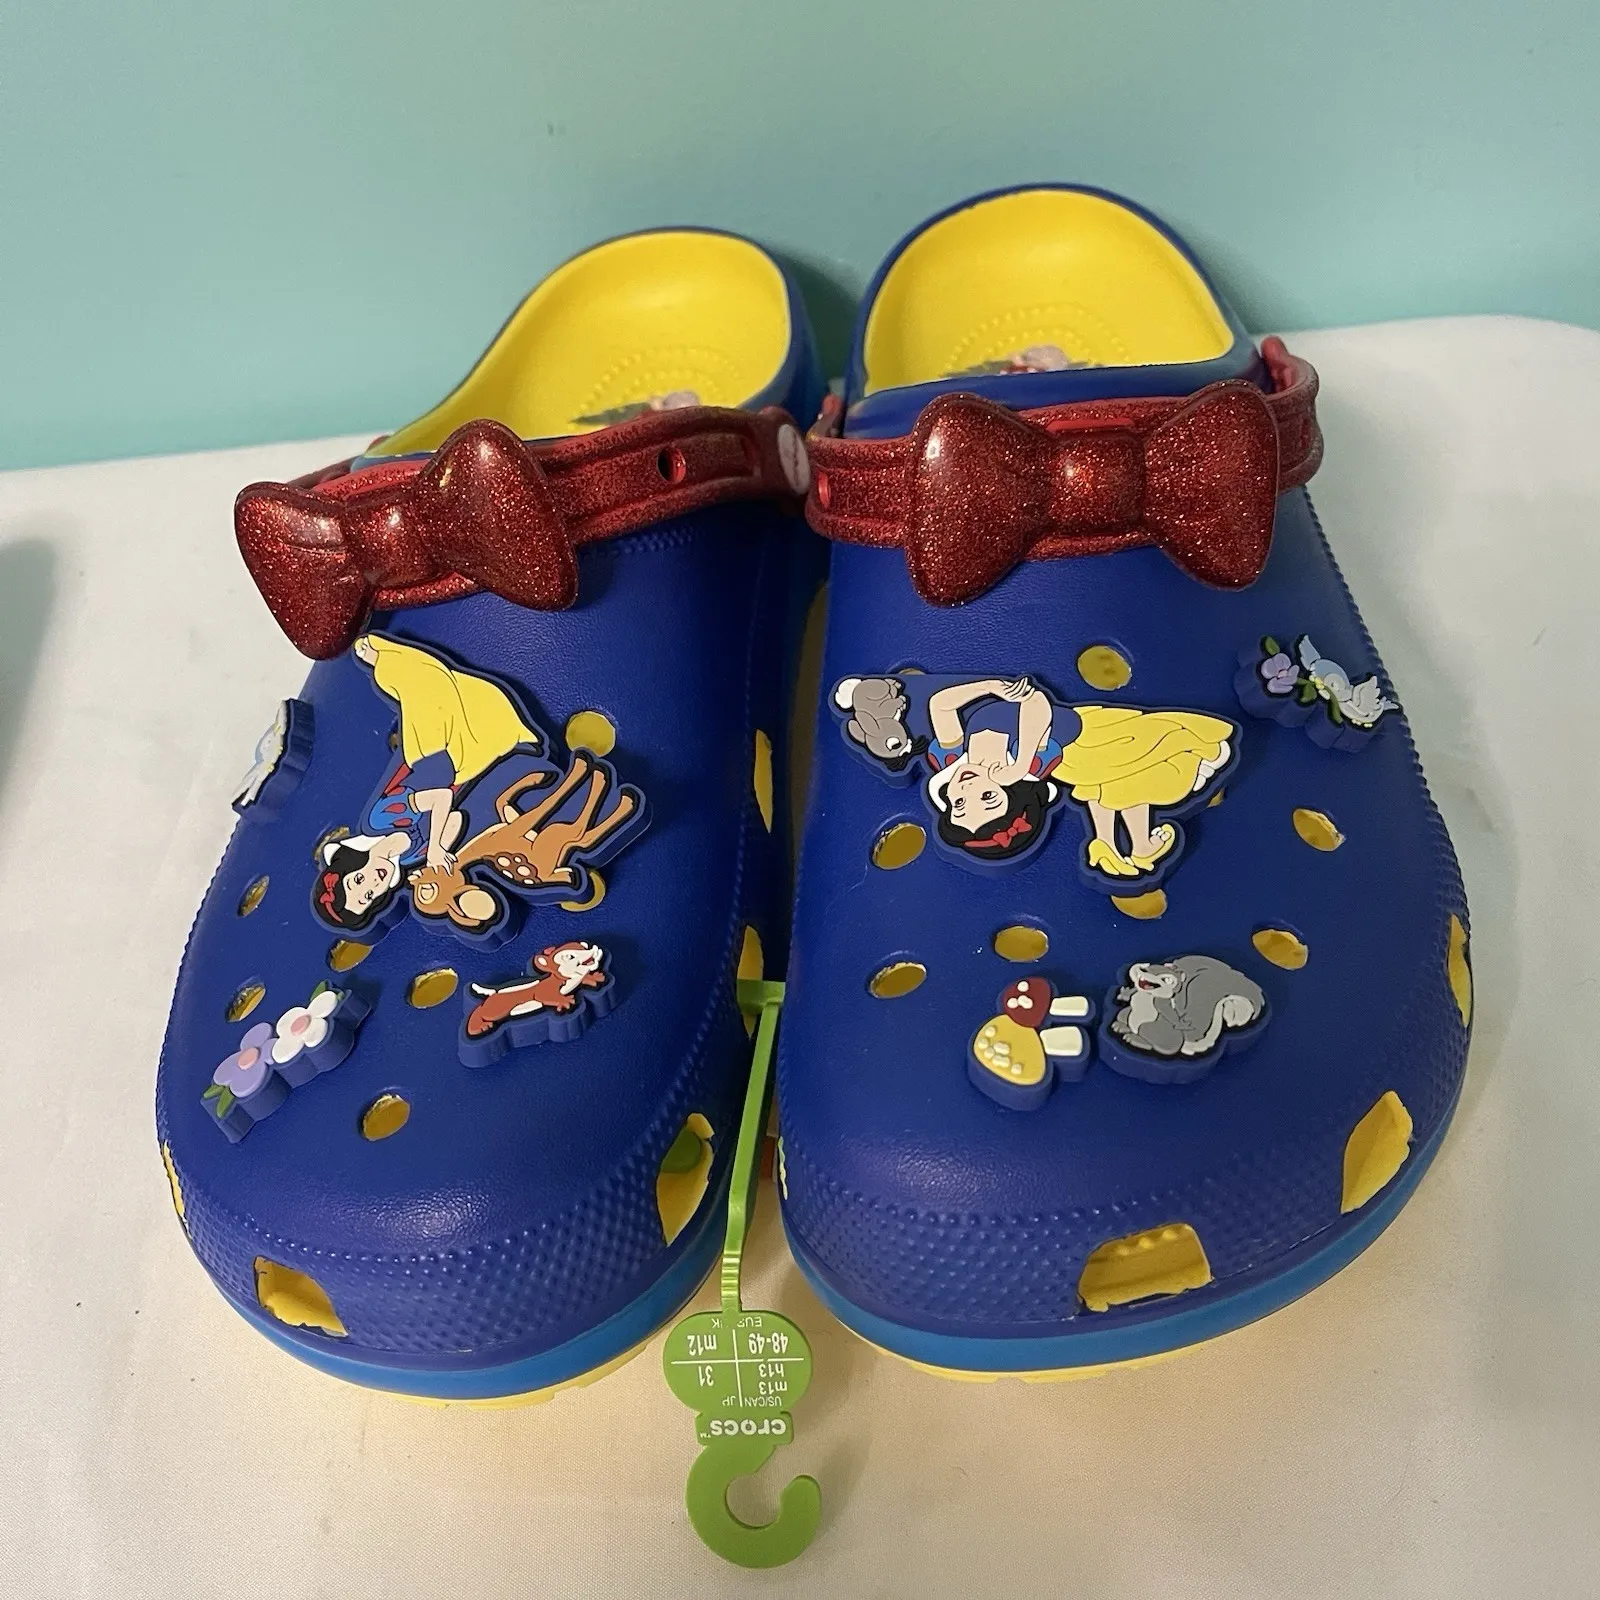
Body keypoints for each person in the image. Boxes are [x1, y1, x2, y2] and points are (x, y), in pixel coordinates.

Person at [313, 635, 542, 931]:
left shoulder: (378, 821)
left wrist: (434, 847)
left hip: (430, 754)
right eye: (368, 896)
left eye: (358, 880)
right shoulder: (411, 856)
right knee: (496, 724)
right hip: (460, 771)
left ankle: (384, 660)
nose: (372, 883)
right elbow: (457, 818)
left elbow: (439, 798)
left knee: (428, 688)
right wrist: (441, 853)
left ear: (351, 863)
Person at [925, 676, 1232, 879]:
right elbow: (1036, 705)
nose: (967, 789)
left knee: (1116, 785)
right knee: (1129, 774)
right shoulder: (1028, 764)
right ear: (1013, 793)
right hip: (1083, 741)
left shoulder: (951, 757)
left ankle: (1116, 844)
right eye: (987, 798)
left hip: (1086, 733)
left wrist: (989, 687)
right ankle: (1129, 844)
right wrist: (1020, 764)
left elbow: (940, 705)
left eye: (960, 805)